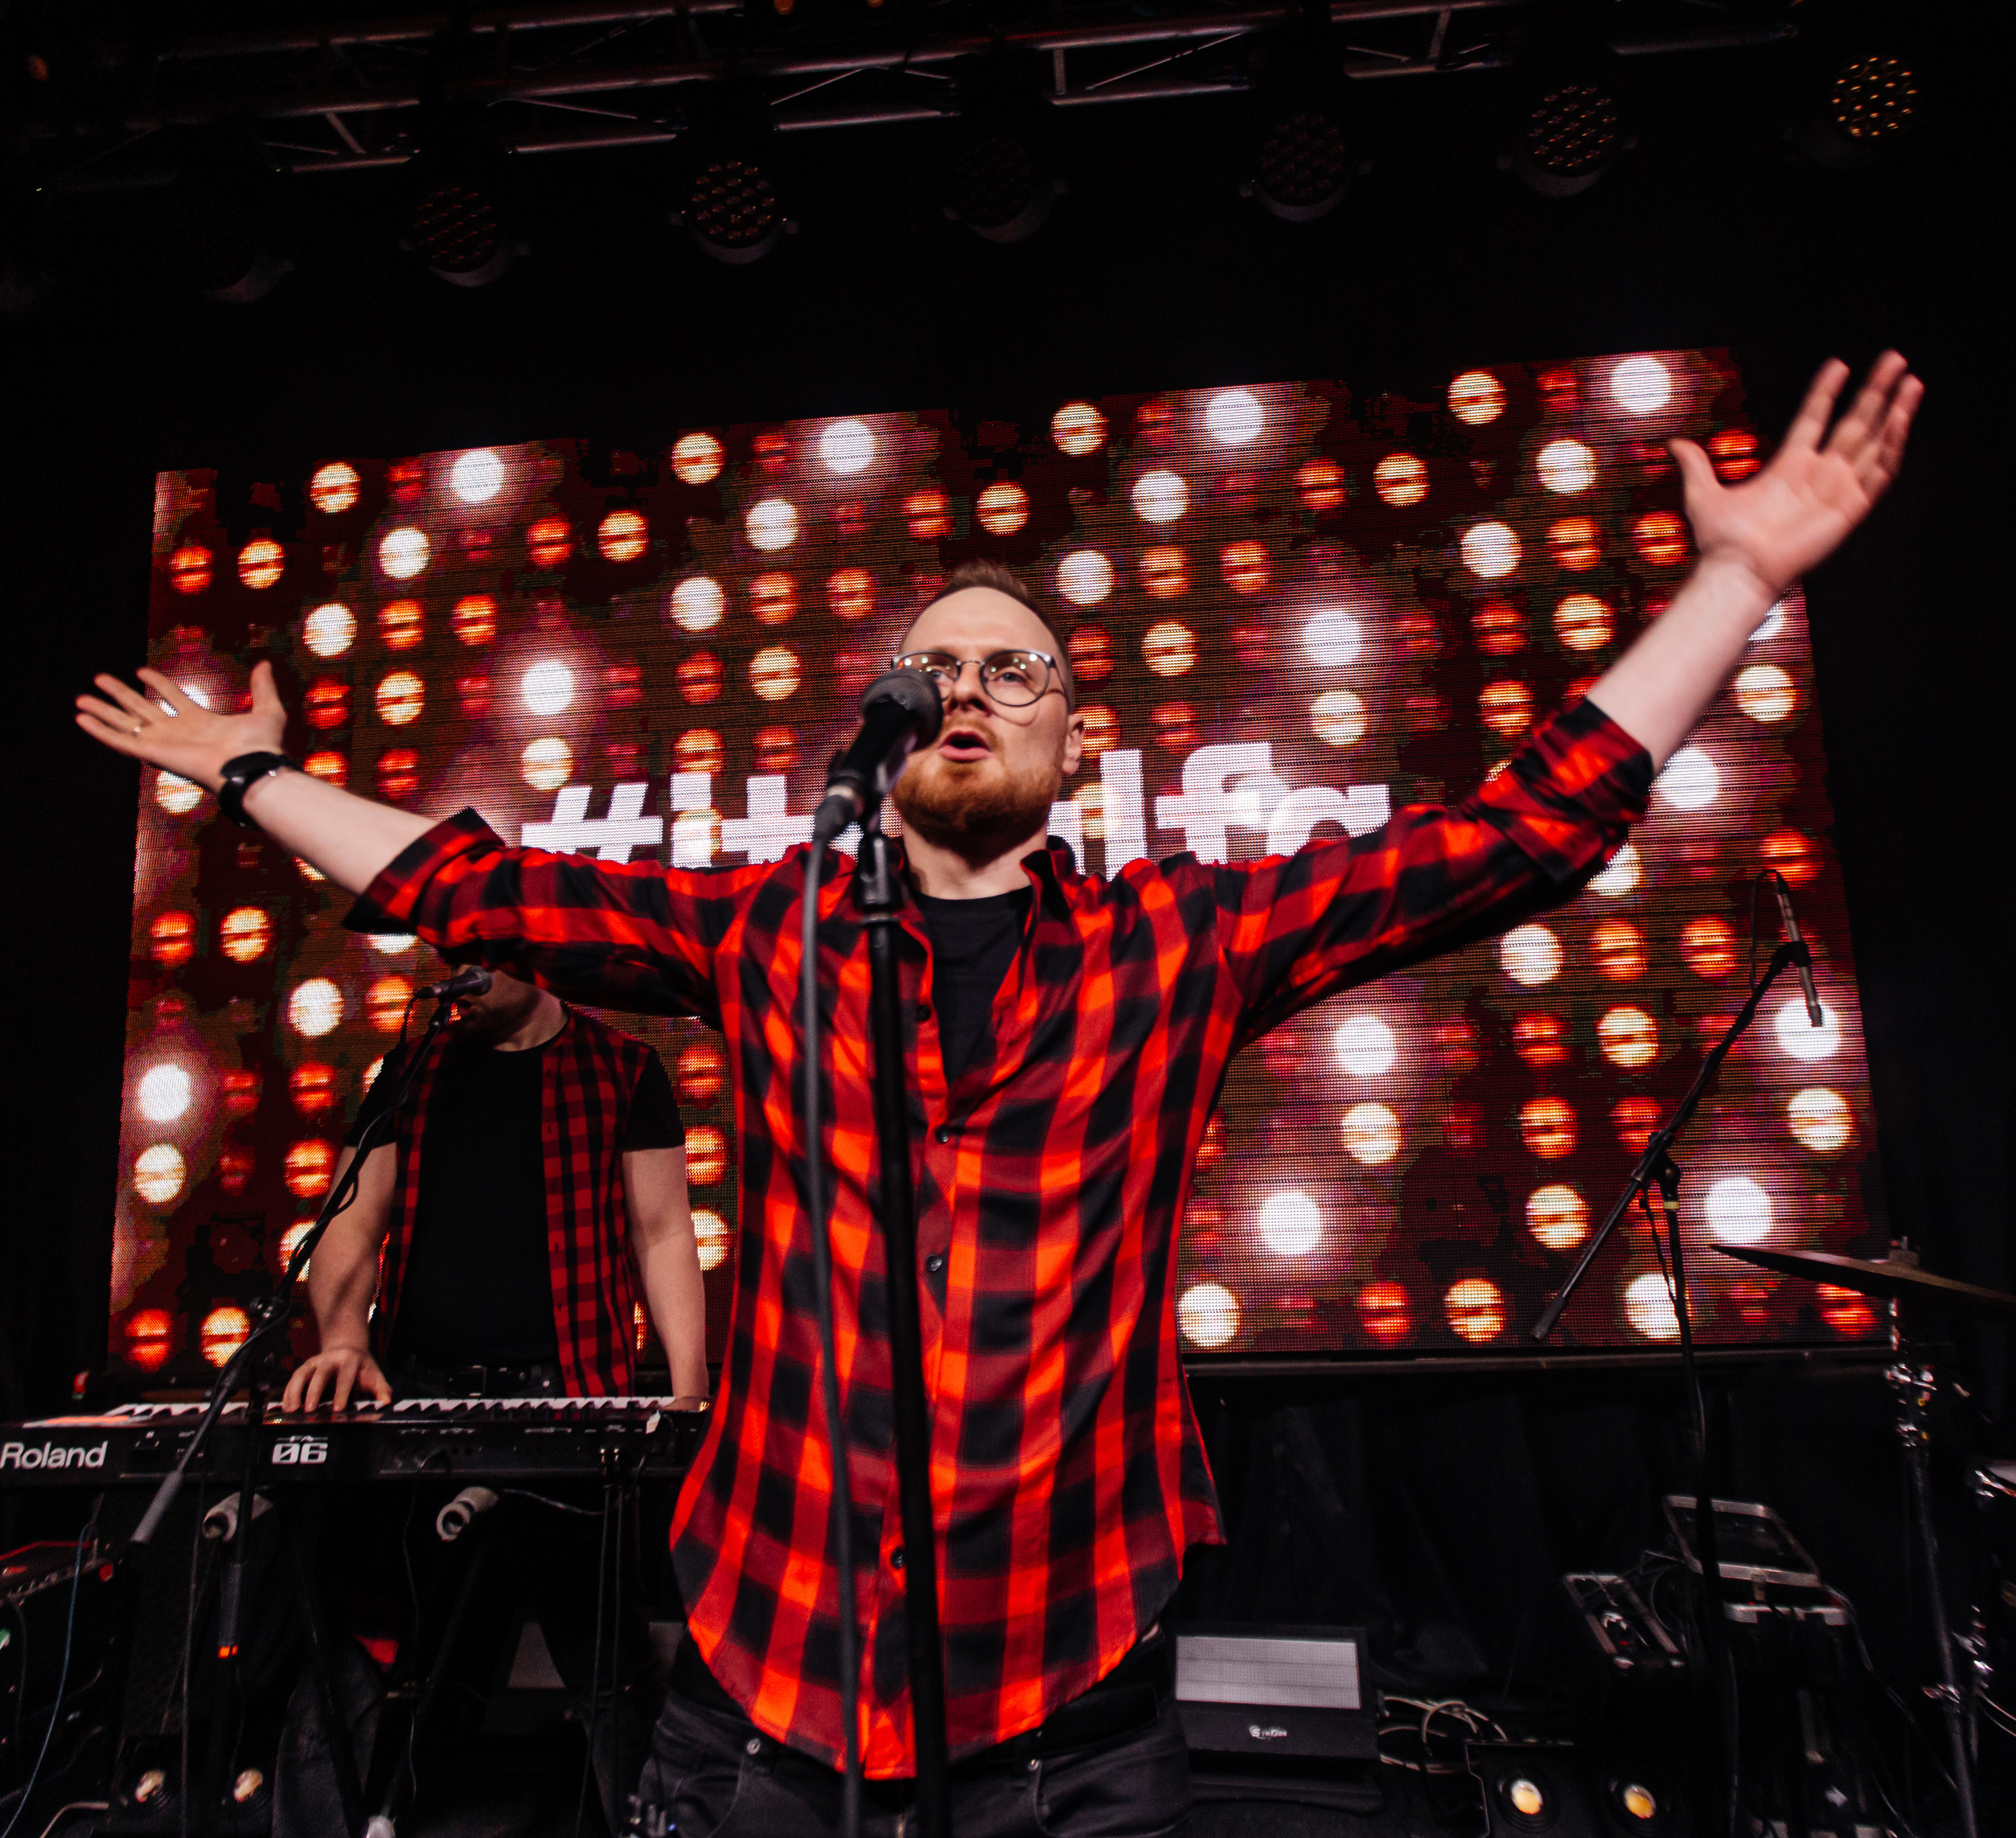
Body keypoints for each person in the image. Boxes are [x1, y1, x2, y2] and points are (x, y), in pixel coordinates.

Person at [80, 354, 1920, 1838]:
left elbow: (1523, 833)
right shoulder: (765, 934)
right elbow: (468, 884)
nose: (969, 685)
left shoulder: (1179, 940)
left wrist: (1740, 579)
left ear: (1070, 745)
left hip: (1073, 1703)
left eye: (1013, 667)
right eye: (934, 667)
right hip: (765, 1690)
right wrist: (250, 768)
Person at [273, 958, 709, 1829]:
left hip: (572, 1404)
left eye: (473, 962)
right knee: (376, 1659)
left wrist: (687, 1397)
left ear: (531, 961)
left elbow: (662, 1234)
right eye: (444, 961)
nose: (453, 980)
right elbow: (354, 1218)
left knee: (609, 1674)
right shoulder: (412, 1070)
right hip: (421, 1401)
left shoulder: (621, 1066)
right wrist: (344, 1338)